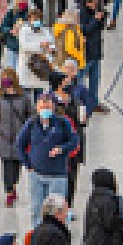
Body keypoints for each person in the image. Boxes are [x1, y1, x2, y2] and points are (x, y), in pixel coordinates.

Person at [13, 95, 80, 223]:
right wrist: (27, 164)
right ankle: (37, 236)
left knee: (58, 210)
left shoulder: (62, 122)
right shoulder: (31, 124)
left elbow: (74, 141)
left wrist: (61, 149)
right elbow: (19, 143)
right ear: (37, 108)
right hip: (36, 175)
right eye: (42, 106)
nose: (45, 109)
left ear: (53, 107)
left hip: (57, 176)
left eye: (48, 106)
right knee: (36, 209)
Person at [0, 68, 35, 205]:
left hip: (19, 137)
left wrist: (25, 130)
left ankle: (13, 186)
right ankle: (9, 191)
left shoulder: (24, 97)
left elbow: (31, 114)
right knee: (6, 165)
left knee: (17, 165)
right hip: (4, 138)